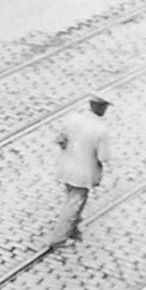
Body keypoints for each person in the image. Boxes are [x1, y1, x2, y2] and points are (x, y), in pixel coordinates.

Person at [50, 95, 111, 248]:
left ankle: (72, 229)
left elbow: (60, 139)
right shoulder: (102, 130)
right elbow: (104, 156)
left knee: (71, 198)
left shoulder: (73, 118)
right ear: (102, 108)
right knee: (74, 204)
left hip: (66, 167)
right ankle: (59, 238)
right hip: (83, 173)